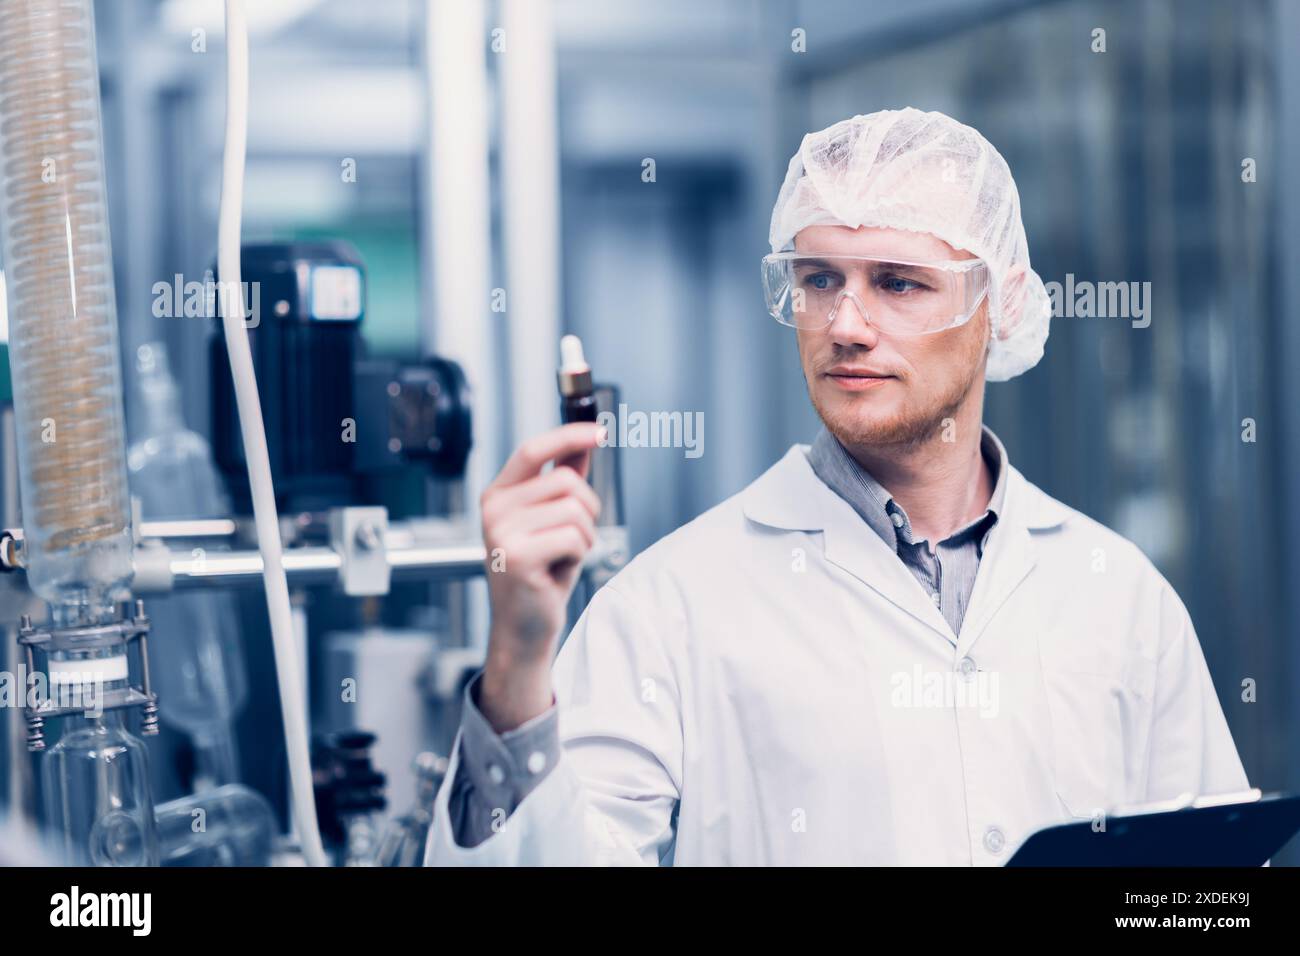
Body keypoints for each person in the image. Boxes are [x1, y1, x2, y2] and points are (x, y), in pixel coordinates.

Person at [424, 107, 1248, 866]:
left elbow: (1202, 895)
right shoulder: (671, 605)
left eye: (898, 282)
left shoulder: (1119, 598)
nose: (846, 326)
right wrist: (520, 662)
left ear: (1001, 304)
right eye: (820, 280)